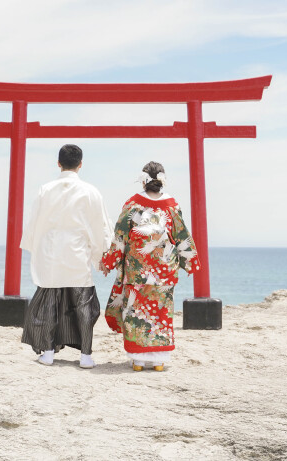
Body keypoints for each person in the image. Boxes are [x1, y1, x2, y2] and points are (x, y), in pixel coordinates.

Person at [100, 161, 201, 371]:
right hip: (164, 271)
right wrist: (190, 262)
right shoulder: (172, 205)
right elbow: (181, 235)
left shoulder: (132, 204)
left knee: (136, 311)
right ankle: (158, 361)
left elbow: (120, 236)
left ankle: (138, 360)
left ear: (143, 180)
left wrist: (109, 262)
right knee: (161, 312)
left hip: (138, 269)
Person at [20, 144, 113, 369]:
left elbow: (34, 223)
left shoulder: (45, 189)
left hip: (51, 253)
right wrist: (100, 255)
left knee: (49, 305)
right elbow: (99, 226)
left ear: (58, 163)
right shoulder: (91, 191)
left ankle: (49, 352)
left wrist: (35, 247)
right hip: (77, 253)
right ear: (80, 164)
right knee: (84, 306)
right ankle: (86, 356)